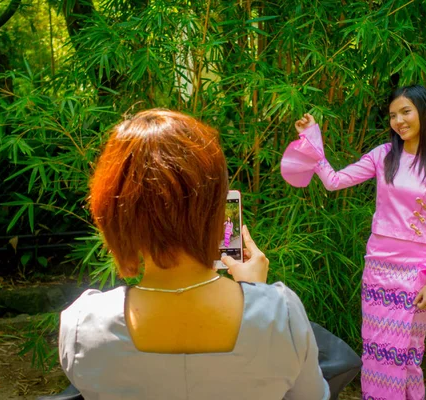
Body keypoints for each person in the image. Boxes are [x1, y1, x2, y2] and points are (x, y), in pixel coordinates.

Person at [58, 109, 330, 399]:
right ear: (216, 208)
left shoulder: (83, 325)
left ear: (113, 214)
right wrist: (256, 294)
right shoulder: (281, 314)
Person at [280, 85, 426, 400]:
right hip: (378, 268)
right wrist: (311, 139)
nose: (399, 120)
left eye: (406, 111)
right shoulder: (383, 156)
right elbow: (334, 181)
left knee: (407, 353)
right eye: (393, 115)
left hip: (417, 274)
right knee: (377, 352)